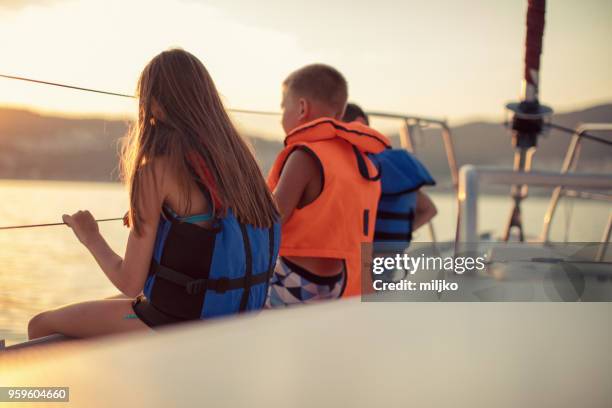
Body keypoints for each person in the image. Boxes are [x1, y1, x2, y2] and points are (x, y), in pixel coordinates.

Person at [27, 49, 280, 339]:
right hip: (238, 314)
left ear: (155, 104)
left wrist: (90, 235)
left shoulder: (156, 168)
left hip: (179, 320)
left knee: (41, 325)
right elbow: (212, 225)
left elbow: (129, 282)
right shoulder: (240, 161)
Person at [266, 64, 391, 307]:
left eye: (283, 106)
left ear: (302, 108)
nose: (282, 115)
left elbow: (271, 218)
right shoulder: (360, 161)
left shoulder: (305, 156)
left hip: (297, 279)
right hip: (338, 281)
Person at [343, 102, 437, 237]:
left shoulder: (353, 166)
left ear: (359, 124)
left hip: (363, 255)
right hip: (395, 254)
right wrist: (401, 236)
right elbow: (429, 210)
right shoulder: (398, 164)